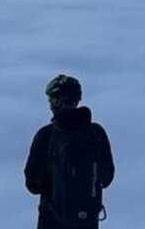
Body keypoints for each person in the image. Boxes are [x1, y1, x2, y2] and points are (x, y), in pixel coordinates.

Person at [24, 75, 115, 229]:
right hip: (87, 221)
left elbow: (33, 184)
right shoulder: (97, 133)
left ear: (55, 102)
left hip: (52, 220)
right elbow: (107, 178)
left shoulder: (46, 135)